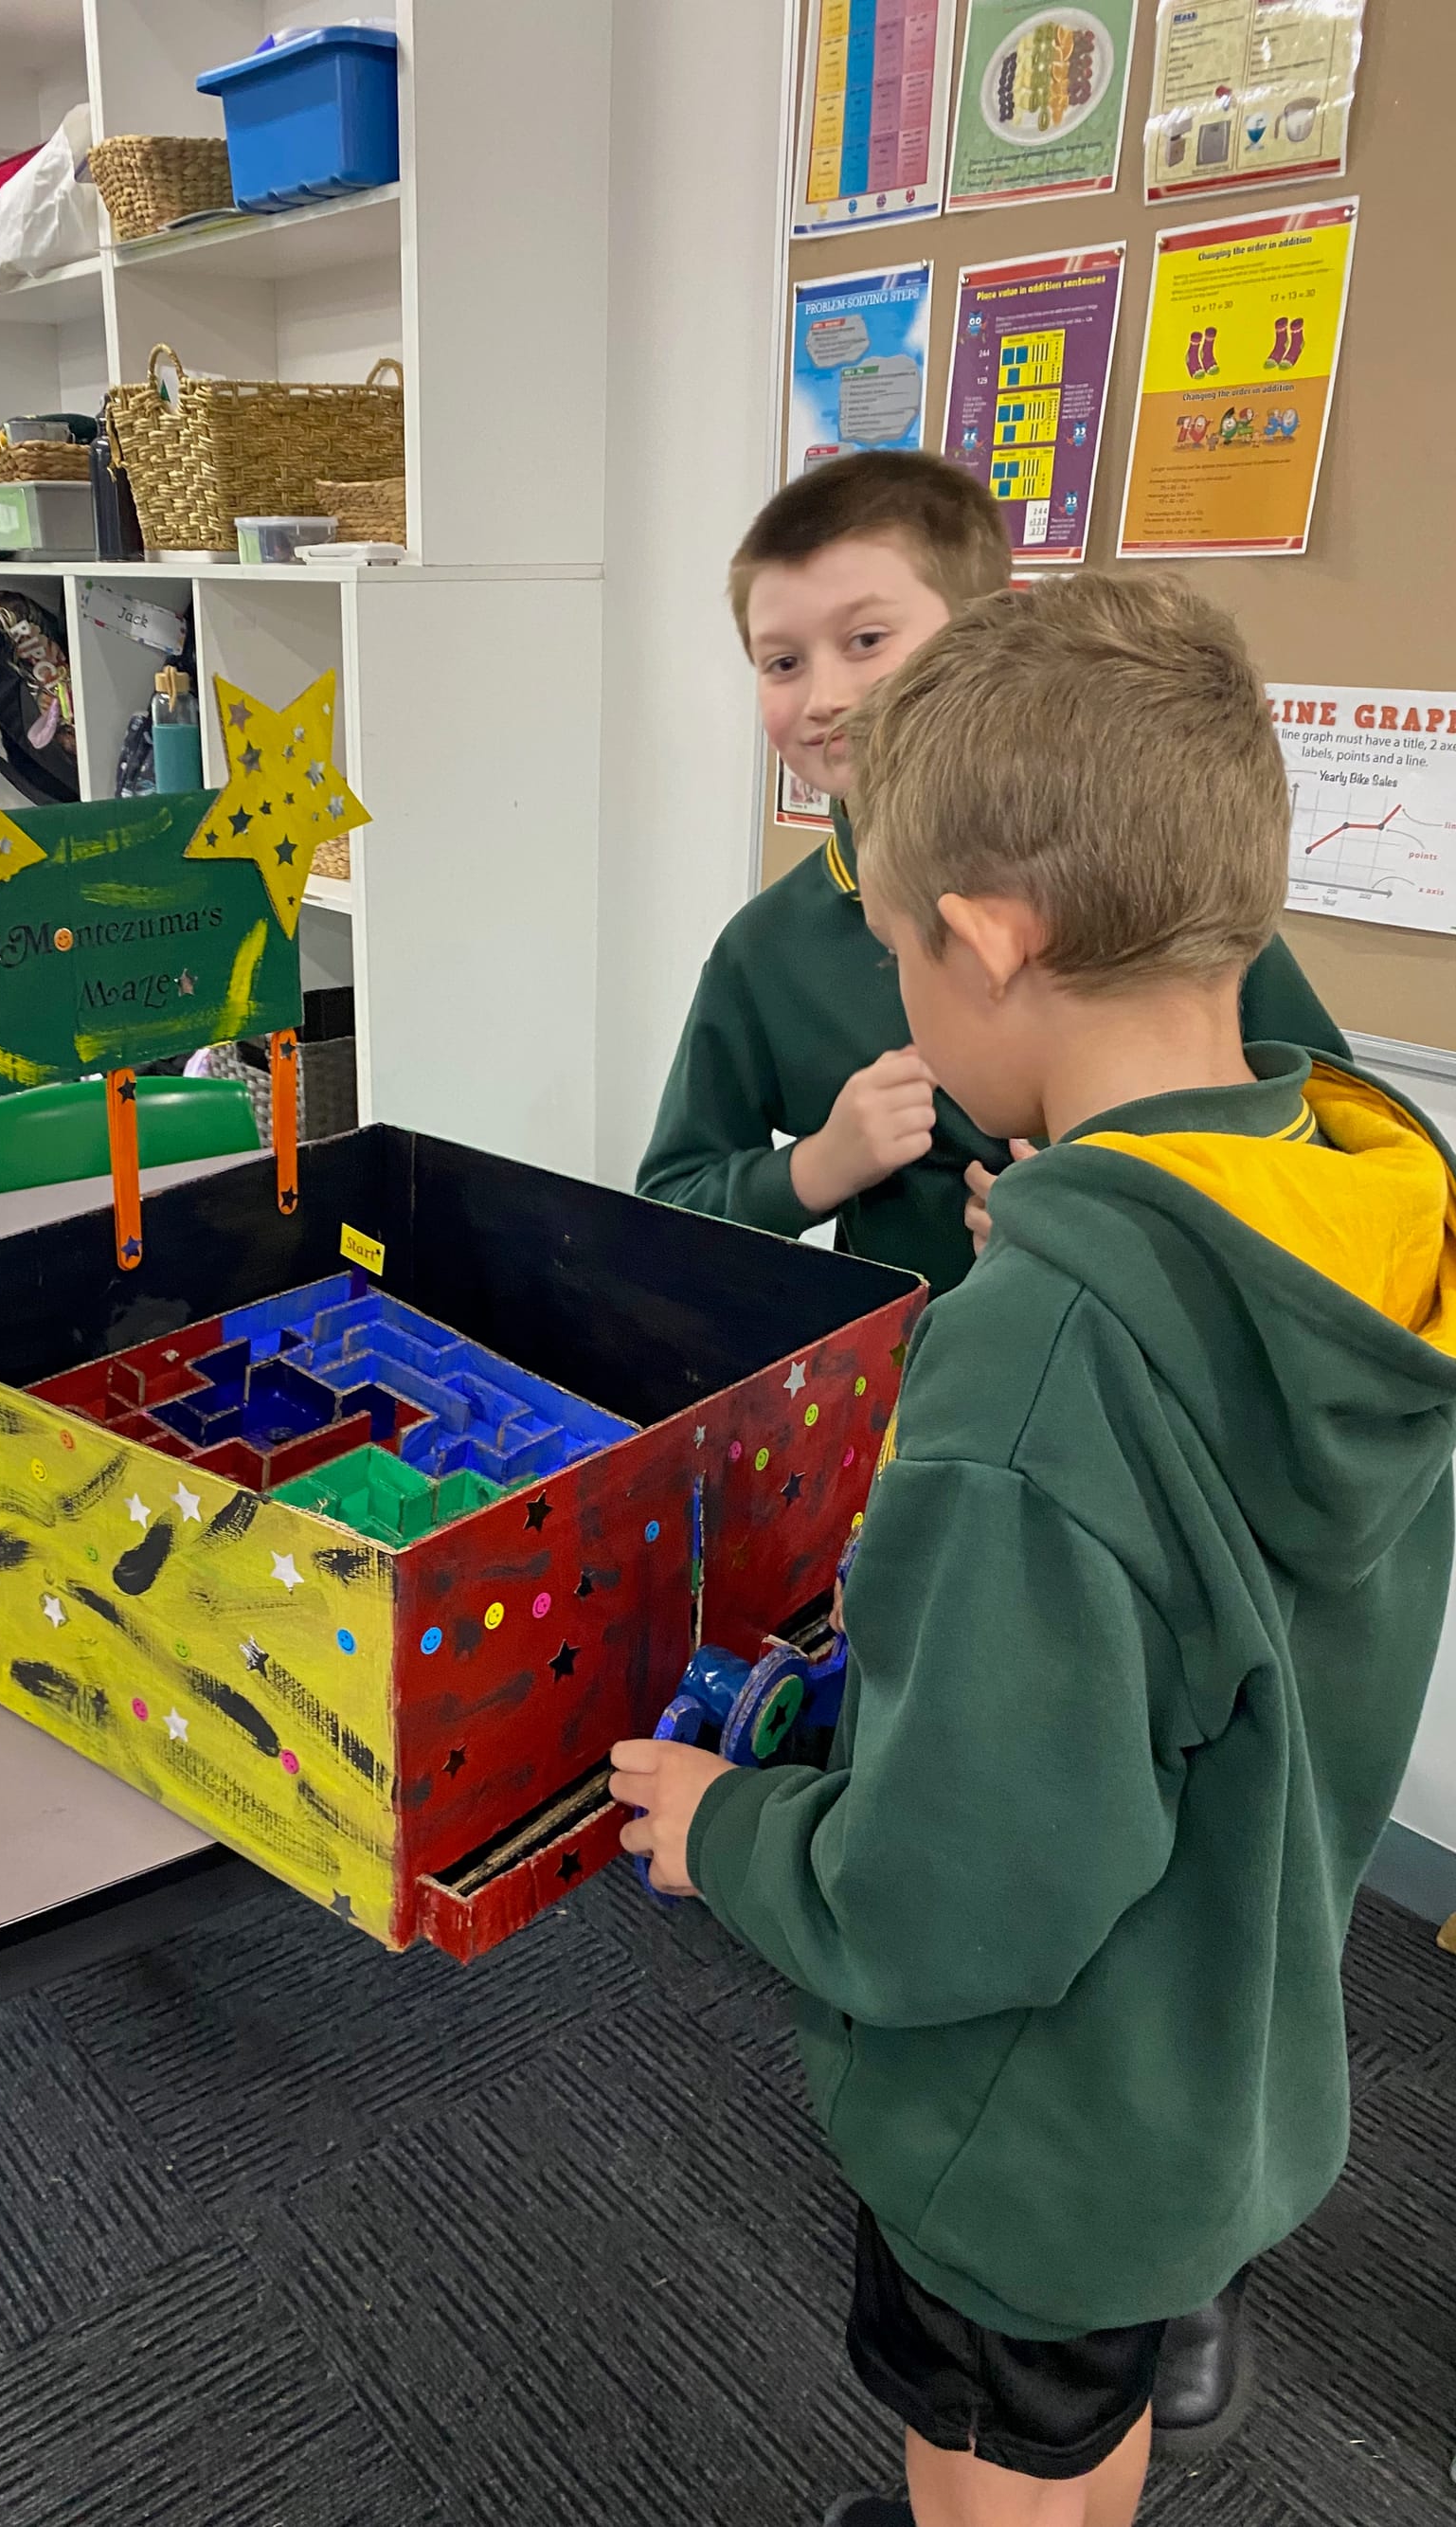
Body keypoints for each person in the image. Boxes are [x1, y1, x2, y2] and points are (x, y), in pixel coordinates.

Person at [613, 573, 1456, 2527]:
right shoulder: (1350, 1187)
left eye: (901, 945)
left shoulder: (1036, 1355)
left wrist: (724, 1825)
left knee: (982, 2436)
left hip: (1031, 2113)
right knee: (1084, 2410)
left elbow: (954, 1893)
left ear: (988, 940)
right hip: (1219, 2049)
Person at [637, 452, 1347, 1298]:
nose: (825, 695)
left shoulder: (1145, 883)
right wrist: (814, 1168)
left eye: (866, 639)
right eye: (782, 662)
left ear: (986, 631)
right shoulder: (763, 951)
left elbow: (1334, 1162)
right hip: (895, 1391)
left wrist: (1099, 1215)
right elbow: (665, 1209)